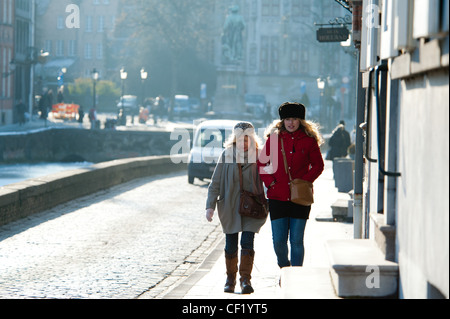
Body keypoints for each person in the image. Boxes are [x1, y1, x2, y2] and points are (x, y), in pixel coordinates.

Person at [257, 102, 324, 268]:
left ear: (300, 120)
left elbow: (318, 165)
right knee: (279, 241)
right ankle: (284, 267)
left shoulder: (309, 141)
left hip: (300, 197)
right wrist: (271, 183)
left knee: (296, 240)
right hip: (277, 197)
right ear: (282, 121)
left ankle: (296, 276)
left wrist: (304, 181)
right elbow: (262, 164)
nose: (291, 122)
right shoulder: (274, 140)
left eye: (294, 118)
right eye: (287, 119)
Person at [205, 122, 267, 294]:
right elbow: (215, 183)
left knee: (247, 242)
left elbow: (268, 180)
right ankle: (230, 279)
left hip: (252, 207)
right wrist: (209, 206)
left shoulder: (260, 156)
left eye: (247, 139)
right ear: (235, 139)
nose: (243, 143)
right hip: (230, 206)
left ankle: (245, 280)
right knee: (230, 244)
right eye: (240, 139)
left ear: (252, 139)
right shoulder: (226, 155)